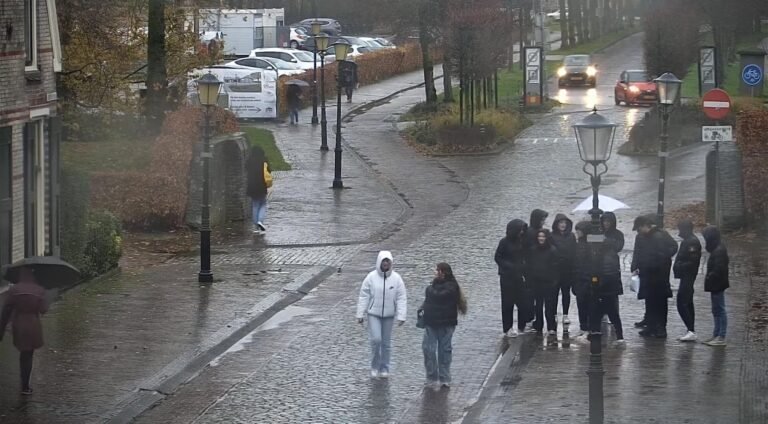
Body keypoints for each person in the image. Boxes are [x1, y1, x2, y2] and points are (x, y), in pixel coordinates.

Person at [356, 251, 407, 378]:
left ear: (391, 263)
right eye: (383, 261)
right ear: (379, 262)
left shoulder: (396, 279)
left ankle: (384, 367)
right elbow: (364, 295)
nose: (385, 263)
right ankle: (374, 366)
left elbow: (401, 297)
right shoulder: (371, 277)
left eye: (387, 261)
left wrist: (401, 315)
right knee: (376, 340)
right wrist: (360, 313)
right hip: (374, 313)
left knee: (386, 343)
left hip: (389, 315)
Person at [0, 267, 49, 395]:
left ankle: (24, 383)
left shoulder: (14, 289)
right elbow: (44, 309)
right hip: (33, 324)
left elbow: (6, 310)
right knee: (29, 353)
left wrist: (2, 328)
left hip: (19, 323)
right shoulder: (39, 289)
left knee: (24, 352)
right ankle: (26, 385)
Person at [420, 263, 467, 389]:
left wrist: (430, 288)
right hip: (431, 322)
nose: (435, 272)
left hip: (446, 323)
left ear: (442, 272)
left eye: (437, 270)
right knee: (428, 349)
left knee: (444, 350)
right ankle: (431, 376)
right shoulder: (434, 285)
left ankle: (444, 377)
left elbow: (437, 295)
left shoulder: (451, 287)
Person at [631, 214, 678, 338]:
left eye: (639, 228)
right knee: (650, 301)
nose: (638, 231)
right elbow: (638, 252)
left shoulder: (660, 235)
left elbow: (673, 247)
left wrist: (663, 258)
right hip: (647, 274)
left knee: (660, 302)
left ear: (645, 226)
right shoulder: (643, 237)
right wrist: (635, 266)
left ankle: (661, 328)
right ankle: (651, 326)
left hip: (659, 275)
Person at [494, 219, 529, 338]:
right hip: (507, 277)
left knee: (522, 302)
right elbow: (498, 257)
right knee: (508, 303)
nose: (521, 232)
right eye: (519, 230)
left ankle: (521, 326)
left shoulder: (522, 241)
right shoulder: (504, 242)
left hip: (520, 276)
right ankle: (507, 328)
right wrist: (509, 266)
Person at [672, 219, 702, 342]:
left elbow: (692, 261)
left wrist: (679, 266)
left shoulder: (692, 242)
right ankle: (690, 329)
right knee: (687, 302)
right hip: (686, 276)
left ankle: (691, 329)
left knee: (682, 303)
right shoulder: (688, 241)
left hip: (688, 276)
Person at [527, 229, 560, 336]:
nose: (541, 238)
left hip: (548, 282)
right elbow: (530, 266)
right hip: (536, 281)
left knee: (549, 306)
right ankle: (538, 325)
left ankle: (551, 326)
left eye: (543, 236)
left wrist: (554, 280)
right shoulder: (533, 250)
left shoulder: (552, 250)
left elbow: (556, 267)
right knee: (538, 305)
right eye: (539, 236)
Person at [702, 226, 729, 347]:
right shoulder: (718, 249)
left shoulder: (719, 251)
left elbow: (719, 268)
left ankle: (721, 336)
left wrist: (710, 276)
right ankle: (716, 334)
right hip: (716, 284)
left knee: (719, 310)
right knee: (716, 310)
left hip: (717, 284)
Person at [551, 214, 576, 325]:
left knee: (566, 293)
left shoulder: (571, 236)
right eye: (561, 223)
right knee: (554, 293)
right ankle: (554, 314)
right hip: (555, 269)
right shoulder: (551, 236)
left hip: (568, 269)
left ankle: (565, 314)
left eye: (564, 223)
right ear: (556, 224)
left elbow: (574, 250)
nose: (563, 225)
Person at [572, 221, 593, 338]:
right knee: (581, 304)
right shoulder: (578, 244)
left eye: (579, 230)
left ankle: (588, 327)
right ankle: (583, 326)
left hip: (586, 278)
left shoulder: (590, 245)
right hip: (579, 278)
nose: (577, 233)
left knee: (588, 304)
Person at [245, 145, 271, 234]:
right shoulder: (264, 160)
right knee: (263, 204)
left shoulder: (249, 160)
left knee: (255, 205)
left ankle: (256, 226)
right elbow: (269, 171)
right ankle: (260, 221)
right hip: (262, 185)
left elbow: (246, 169)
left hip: (252, 186)